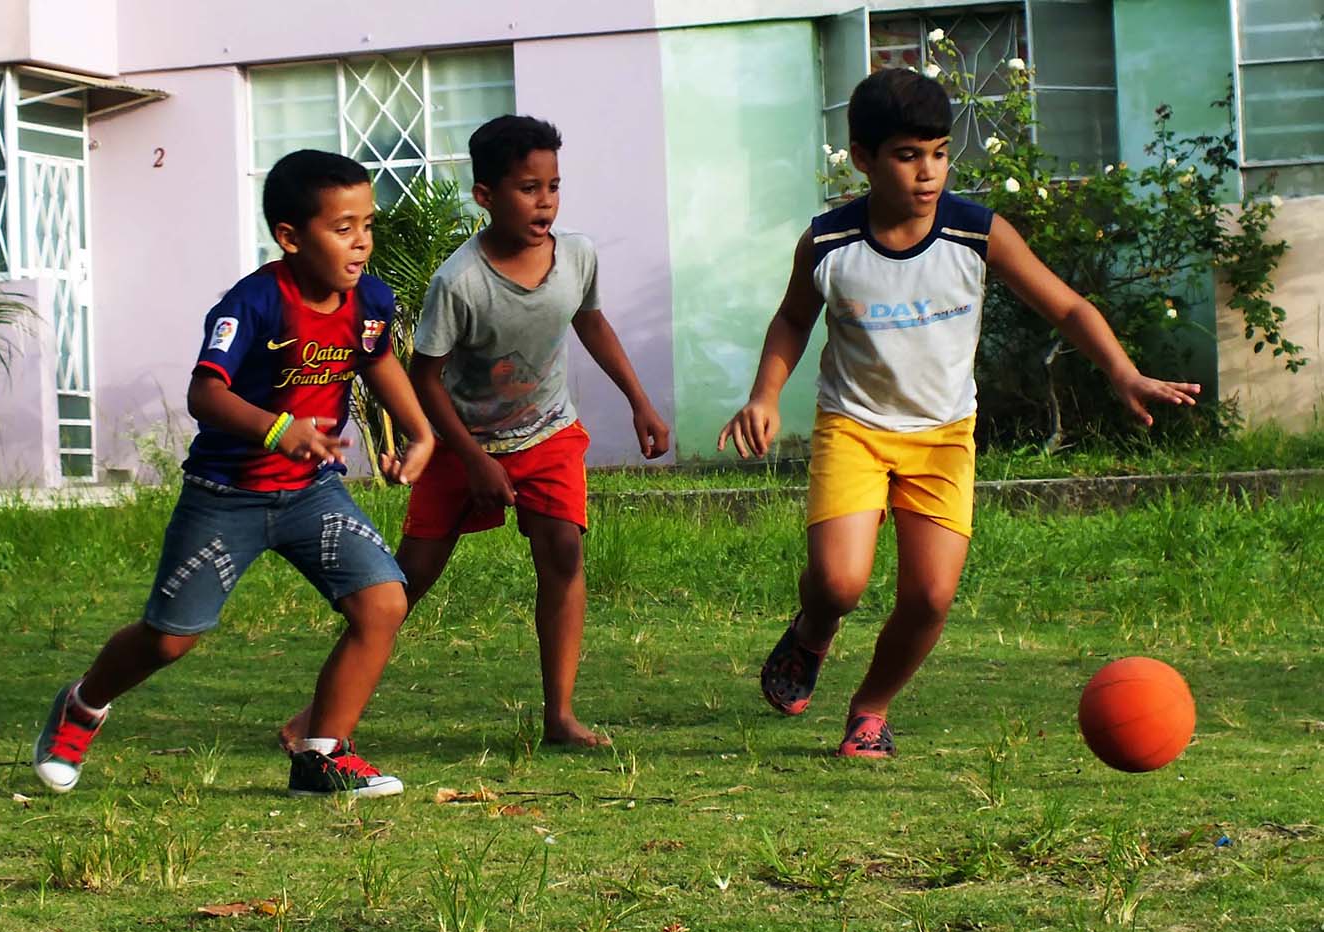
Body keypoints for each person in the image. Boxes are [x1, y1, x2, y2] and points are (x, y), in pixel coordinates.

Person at [718, 70, 1200, 758]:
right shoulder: (828, 242)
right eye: (907, 155)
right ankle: (813, 630)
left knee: (930, 597)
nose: (928, 172)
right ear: (862, 158)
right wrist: (764, 395)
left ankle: (870, 709)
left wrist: (1122, 372)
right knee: (838, 582)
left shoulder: (976, 232)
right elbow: (793, 319)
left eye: (939, 153)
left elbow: (1066, 306)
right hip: (854, 428)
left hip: (943, 437)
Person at [32, 149, 434, 797]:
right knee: (168, 642)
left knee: (383, 602)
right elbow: (205, 394)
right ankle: (82, 705)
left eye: (367, 225)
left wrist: (421, 431)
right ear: (290, 237)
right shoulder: (253, 303)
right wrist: (280, 430)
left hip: (311, 494)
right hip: (225, 498)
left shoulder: (370, 300)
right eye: (343, 228)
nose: (361, 241)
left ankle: (322, 756)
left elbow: (377, 358)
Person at [281, 115, 670, 751]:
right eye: (527, 188)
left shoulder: (577, 255)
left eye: (553, 186)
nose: (544, 201)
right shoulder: (459, 281)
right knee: (408, 579)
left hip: (548, 432)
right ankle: (314, 716)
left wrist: (640, 402)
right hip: (462, 443)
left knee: (563, 553)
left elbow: (591, 322)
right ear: (485, 195)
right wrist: (473, 459)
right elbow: (425, 377)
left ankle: (560, 717)